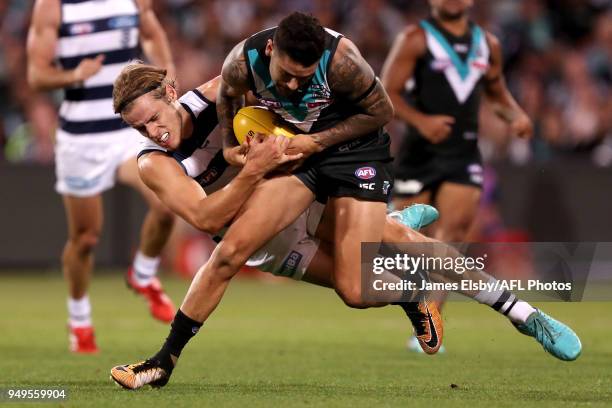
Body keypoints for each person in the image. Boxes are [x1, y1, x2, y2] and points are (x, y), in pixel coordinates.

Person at [108, 63, 580, 389]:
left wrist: (292, 135)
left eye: (153, 119)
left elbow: (293, 99)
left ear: (171, 93)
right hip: (265, 241)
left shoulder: (223, 92)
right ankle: (408, 288)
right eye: (140, 129)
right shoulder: (153, 163)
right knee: (356, 288)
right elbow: (206, 217)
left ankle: (524, 315)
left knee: (400, 243)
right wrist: (251, 168)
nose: (152, 133)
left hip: (300, 192)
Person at [380, 0, 533, 352]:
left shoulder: (488, 45)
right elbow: (387, 92)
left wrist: (516, 115)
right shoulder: (415, 39)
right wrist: (422, 122)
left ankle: (430, 323)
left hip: (463, 156)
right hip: (418, 155)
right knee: (392, 241)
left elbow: (496, 92)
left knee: (452, 240)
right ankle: (413, 302)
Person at [26, 0, 177, 353]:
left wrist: (166, 74)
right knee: (86, 238)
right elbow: (37, 75)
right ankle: (79, 318)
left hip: (127, 130)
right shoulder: (52, 7)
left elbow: (152, 33)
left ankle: (142, 274)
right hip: (80, 140)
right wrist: (75, 75)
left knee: (167, 204)